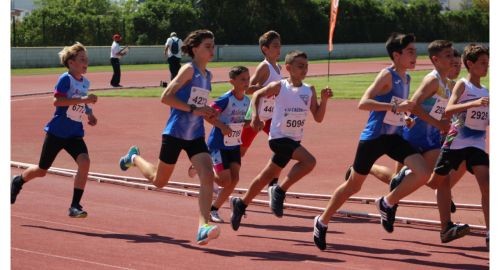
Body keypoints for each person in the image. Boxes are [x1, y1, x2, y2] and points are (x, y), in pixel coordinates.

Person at [313, 33, 432, 251]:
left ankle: (386, 202)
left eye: (415, 51)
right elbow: (364, 103)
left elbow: (396, 106)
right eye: (410, 52)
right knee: (353, 186)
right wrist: (396, 108)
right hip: (374, 137)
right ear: (397, 55)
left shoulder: (406, 78)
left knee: (424, 172)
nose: (416, 56)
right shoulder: (386, 75)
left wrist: (404, 117)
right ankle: (322, 221)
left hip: (394, 137)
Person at [118, 29, 221, 245]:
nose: (212, 50)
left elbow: (197, 106)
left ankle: (203, 227)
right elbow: (166, 97)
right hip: (175, 132)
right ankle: (133, 159)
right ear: (195, 49)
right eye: (208, 46)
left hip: (195, 134)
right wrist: (193, 109)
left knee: (207, 175)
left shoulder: (208, 76)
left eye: (213, 45)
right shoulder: (188, 69)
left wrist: (209, 113)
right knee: (159, 181)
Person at [230, 50, 333, 231]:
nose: (304, 69)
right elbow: (256, 95)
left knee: (266, 176)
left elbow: (318, 117)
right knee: (309, 161)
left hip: (294, 140)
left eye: (306, 66)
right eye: (300, 66)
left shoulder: (309, 90)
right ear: (288, 68)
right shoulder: (280, 86)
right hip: (278, 138)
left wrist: (324, 100)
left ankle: (241, 203)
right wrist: (255, 117)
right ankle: (279, 190)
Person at [11, 42, 98, 218]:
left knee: (85, 162)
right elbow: (58, 102)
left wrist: (90, 114)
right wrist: (83, 99)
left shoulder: (85, 82)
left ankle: (75, 206)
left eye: (86, 59)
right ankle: (18, 180)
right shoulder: (65, 79)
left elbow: (81, 102)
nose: (85, 62)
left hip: (74, 133)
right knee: (42, 170)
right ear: (71, 62)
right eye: (82, 59)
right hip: (57, 132)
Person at [427, 44, 489, 246]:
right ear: (470, 65)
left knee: (487, 185)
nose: (487, 66)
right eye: (482, 63)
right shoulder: (462, 85)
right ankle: (408, 175)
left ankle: (491, 233)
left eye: (488, 62)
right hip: (455, 141)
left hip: (477, 144)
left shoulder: (486, 91)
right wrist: (473, 104)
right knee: (434, 182)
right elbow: (449, 110)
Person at [205, 66, 251, 223]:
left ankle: (213, 209)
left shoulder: (247, 101)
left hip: (234, 145)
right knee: (224, 181)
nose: (246, 82)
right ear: (232, 81)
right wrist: (221, 125)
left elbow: (244, 121)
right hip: (218, 144)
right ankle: (203, 167)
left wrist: (251, 123)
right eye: (242, 79)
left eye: (248, 78)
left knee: (235, 179)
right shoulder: (226, 99)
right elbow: (208, 114)